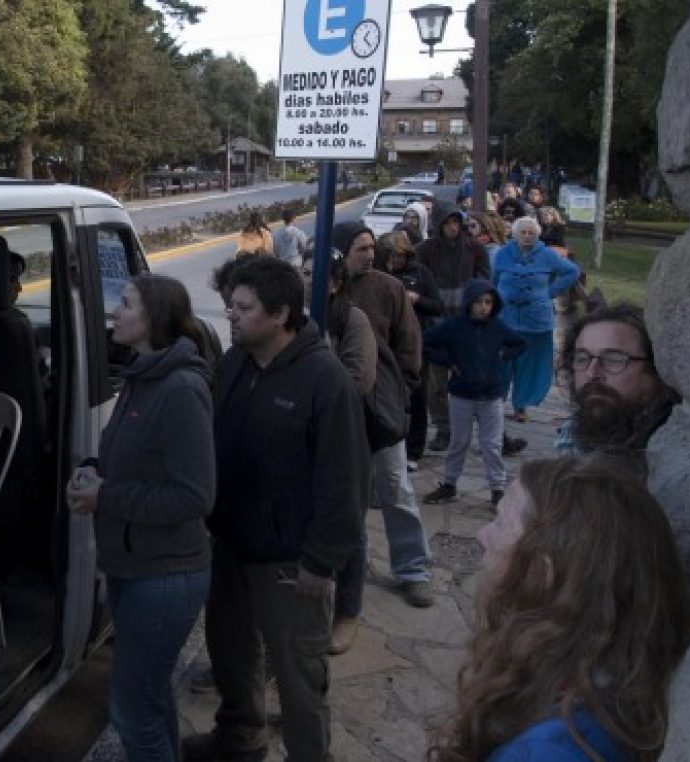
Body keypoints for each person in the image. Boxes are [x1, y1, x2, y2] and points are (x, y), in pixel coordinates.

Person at [183, 256, 370, 762]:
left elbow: (346, 483)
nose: (231, 316)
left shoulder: (325, 380)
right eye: (229, 305)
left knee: (299, 675)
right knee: (232, 656)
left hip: (290, 564)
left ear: (281, 312)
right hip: (231, 546)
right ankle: (239, 741)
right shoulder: (237, 360)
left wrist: (320, 563)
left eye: (243, 308)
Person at [430, 458, 690, 761]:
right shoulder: (581, 676)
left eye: (501, 523)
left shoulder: (554, 750)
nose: (483, 535)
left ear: (542, 574)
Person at [65, 274, 215, 762]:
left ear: (153, 317)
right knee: (148, 701)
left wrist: (106, 498)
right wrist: (91, 473)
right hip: (135, 567)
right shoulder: (141, 374)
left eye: (125, 304)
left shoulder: (180, 389)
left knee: (132, 711)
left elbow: (195, 496)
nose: (114, 312)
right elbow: (129, 459)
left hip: (166, 575)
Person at [335, 222, 435, 621]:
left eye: (371, 247)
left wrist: (401, 390)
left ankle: (413, 568)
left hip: (382, 409)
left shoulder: (388, 289)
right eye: (360, 248)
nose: (369, 254)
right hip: (337, 412)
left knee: (395, 487)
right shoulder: (323, 287)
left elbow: (409, 345)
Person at [422, 280, 527, 506]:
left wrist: (503, 355)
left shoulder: (498, 327)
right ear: (468, 303)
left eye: (488, 302)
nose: (483, 307)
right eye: (478, 301)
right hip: (462, 394)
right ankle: (449, 484)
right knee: (459, 441)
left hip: (491, 396)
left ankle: (497, 489)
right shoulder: (453, 326)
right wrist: (447, 361)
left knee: (492, 445)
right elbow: (426, 342)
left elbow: (519, 344)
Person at [555, 302, 679, 464]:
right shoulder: (572, 436)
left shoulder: (676, 455)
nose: (592, 373)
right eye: (582, 359)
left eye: (614, 359)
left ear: (657, 371)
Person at [415, 205, 491, 452]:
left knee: (474, 379)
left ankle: (493, 430)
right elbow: (416, 277)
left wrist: (475, 299)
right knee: (436, 384)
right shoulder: (426, 250)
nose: (452, 228)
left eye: (456, 223)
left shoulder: (473, 248)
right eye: (448, 223)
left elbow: (484, 278)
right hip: (436, 323)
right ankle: (444, 429)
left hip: (465, 322)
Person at [492, 216, 580, 423]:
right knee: (500, 361)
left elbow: (571, 271)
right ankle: (495, 403)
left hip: (536, 319)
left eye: (531, 233)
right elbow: (493, 281)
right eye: (523, 232)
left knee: (529, 364)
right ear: (514, 234)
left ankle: (521, 406)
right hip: (506, 317)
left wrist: (550, 292)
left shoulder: (547, 254)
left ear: (537, 235)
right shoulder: (502, 254)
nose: (527, 236)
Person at [378, 231, 442, 469]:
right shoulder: (378, 274)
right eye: (390, 256)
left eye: (398, 257)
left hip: (415, 340)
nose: (395, 261)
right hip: (386, 341)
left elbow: (438, 306)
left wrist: (418, 299)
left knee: (417, 395)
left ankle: (414, 451)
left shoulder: (420, 273)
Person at [302, 249, 377, 397]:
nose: (310, 281)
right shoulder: (285, 312)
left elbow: (359, 380)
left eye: (320, 275)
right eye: (306, 273)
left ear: (336, 285)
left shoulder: (353, 319)